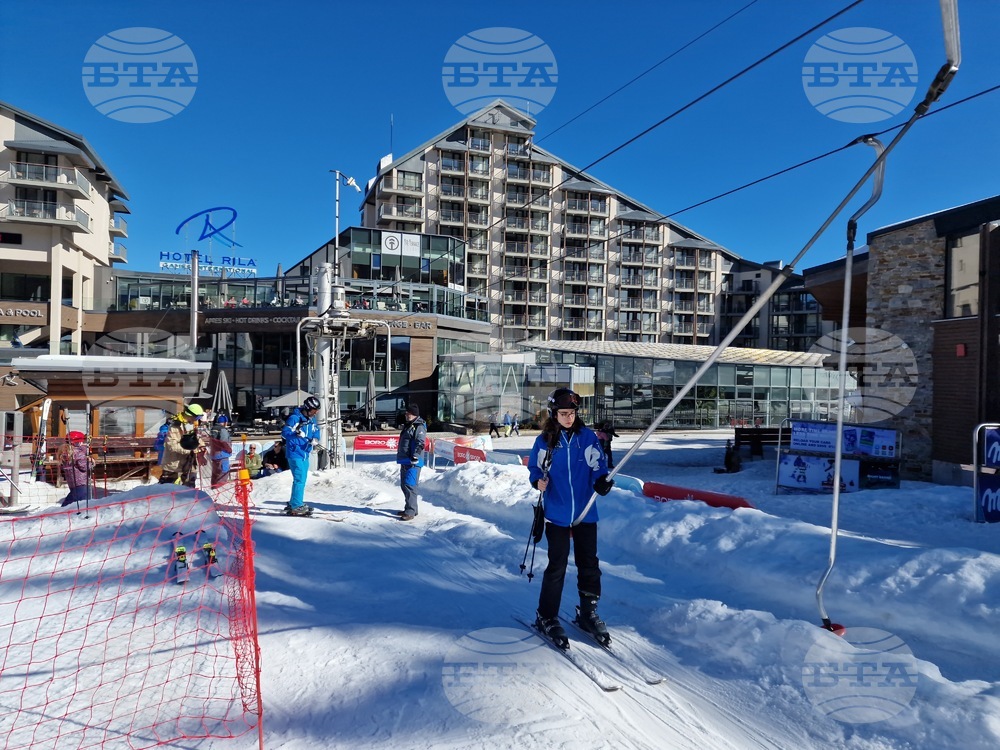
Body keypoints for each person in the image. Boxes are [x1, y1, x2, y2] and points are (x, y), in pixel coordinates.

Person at [528, 388, 615, 646]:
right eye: (563, 413)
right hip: (557, 513)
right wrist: (537, 481)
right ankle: (547, 615)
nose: (569, 418)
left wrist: (602, 482)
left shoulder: (587, 438)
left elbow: (598, 466)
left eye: (572, 413)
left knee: (589, 563)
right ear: (554, 414)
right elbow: (535, 467)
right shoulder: (545, 441)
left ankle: (588, 612)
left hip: (586, 511)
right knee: (558, 566)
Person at [281, 396, 321, 515]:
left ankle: (294, 502)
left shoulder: (311, 419)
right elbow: (285, 433)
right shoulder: (295, 418)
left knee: (301, 480)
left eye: (317, 410)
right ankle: (296, 505)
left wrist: (315, 439)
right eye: (314, 410)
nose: (316, 413)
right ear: (308, 408)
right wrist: (296, 434)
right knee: (300, 479)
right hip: (295, 453)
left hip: (305, 453)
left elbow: (316, 430)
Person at [159, 403, 207, 487]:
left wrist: (201, 447)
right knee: (168, 491)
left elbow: (195, 439)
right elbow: (172, 446)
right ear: (190, 415)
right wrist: (193, 450)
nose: (197, 420)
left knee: (189, 492)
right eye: (197, 417)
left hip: (188, 465)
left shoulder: (190, 424)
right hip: (173, 466)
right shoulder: (174, 426)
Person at [396, 403, 427, 521]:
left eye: (407, 412)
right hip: (405, 460)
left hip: (413, 462)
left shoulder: (419, 426)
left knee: (410, 485)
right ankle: (410, 508)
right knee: (404, 485)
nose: (405, 414)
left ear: (413, 414)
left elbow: (420, 442)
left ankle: (411, 511)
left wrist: (415, 456)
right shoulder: (409, 425)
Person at [58, 431, 93, 507]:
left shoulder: (66, 453)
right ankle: (63, 512)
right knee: (80, 501)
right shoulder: (78, 453)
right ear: (78, 443)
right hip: (81, 482)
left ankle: (66, 511)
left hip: (72, 482)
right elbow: (84, 467)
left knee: (74, 498)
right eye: (82, 442)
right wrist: (91, 462)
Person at [210, 414, 233, 487]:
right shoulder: (222, 429)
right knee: (224, 471)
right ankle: (220, 487)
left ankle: (213, 486)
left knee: (215, 472)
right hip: (222, 454)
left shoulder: (213, 428)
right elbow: (224, 442)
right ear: (225, 422)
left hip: (214, 454)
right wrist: (229, 449)